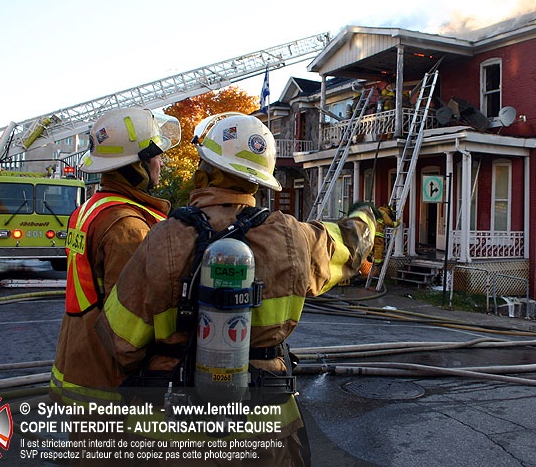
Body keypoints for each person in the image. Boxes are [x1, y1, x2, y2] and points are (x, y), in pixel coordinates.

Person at [95, 113, 380, 465]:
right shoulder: (293, 237)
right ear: (257, 183)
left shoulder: (163, 237)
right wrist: (368, 217)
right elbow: (348, 243)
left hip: (171, 434)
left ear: (203, 174)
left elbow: (120, 341)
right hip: (263, 434)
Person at [50, 106, 181, 406]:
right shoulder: (128, 226)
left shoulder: (91, 210)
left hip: (80, 360)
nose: (161, 161)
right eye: (156, 155)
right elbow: (133, 322)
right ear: (136, 165)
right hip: (110, 382)